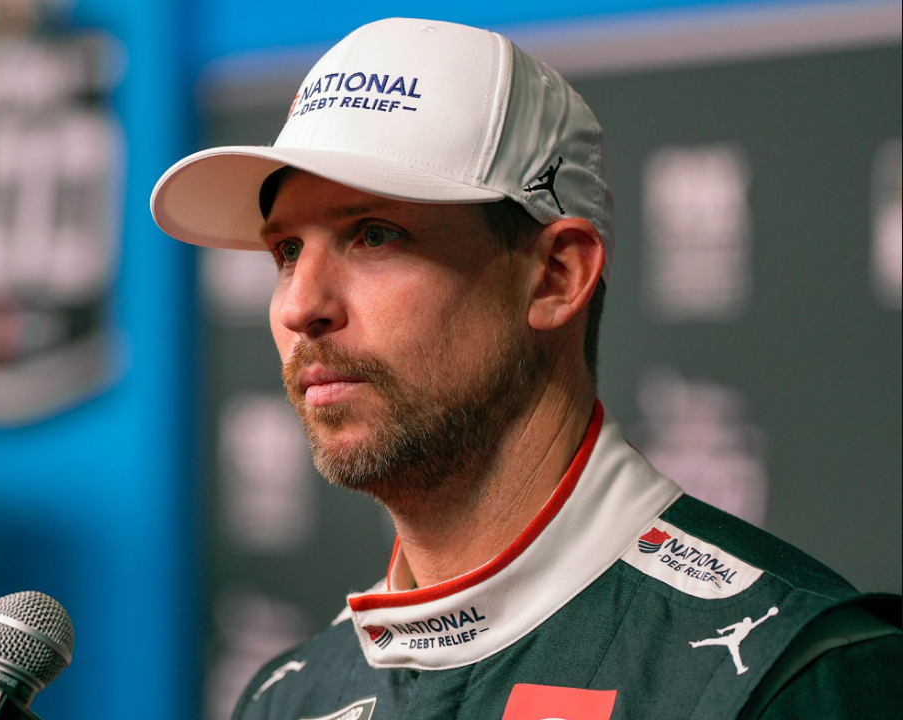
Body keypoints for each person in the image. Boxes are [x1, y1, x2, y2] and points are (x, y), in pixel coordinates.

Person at [150, 18, 901, 720]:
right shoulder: (293, 698)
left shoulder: (792, 673)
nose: (299, 305)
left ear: (555, 277)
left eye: (374, 235)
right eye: (286, 252)